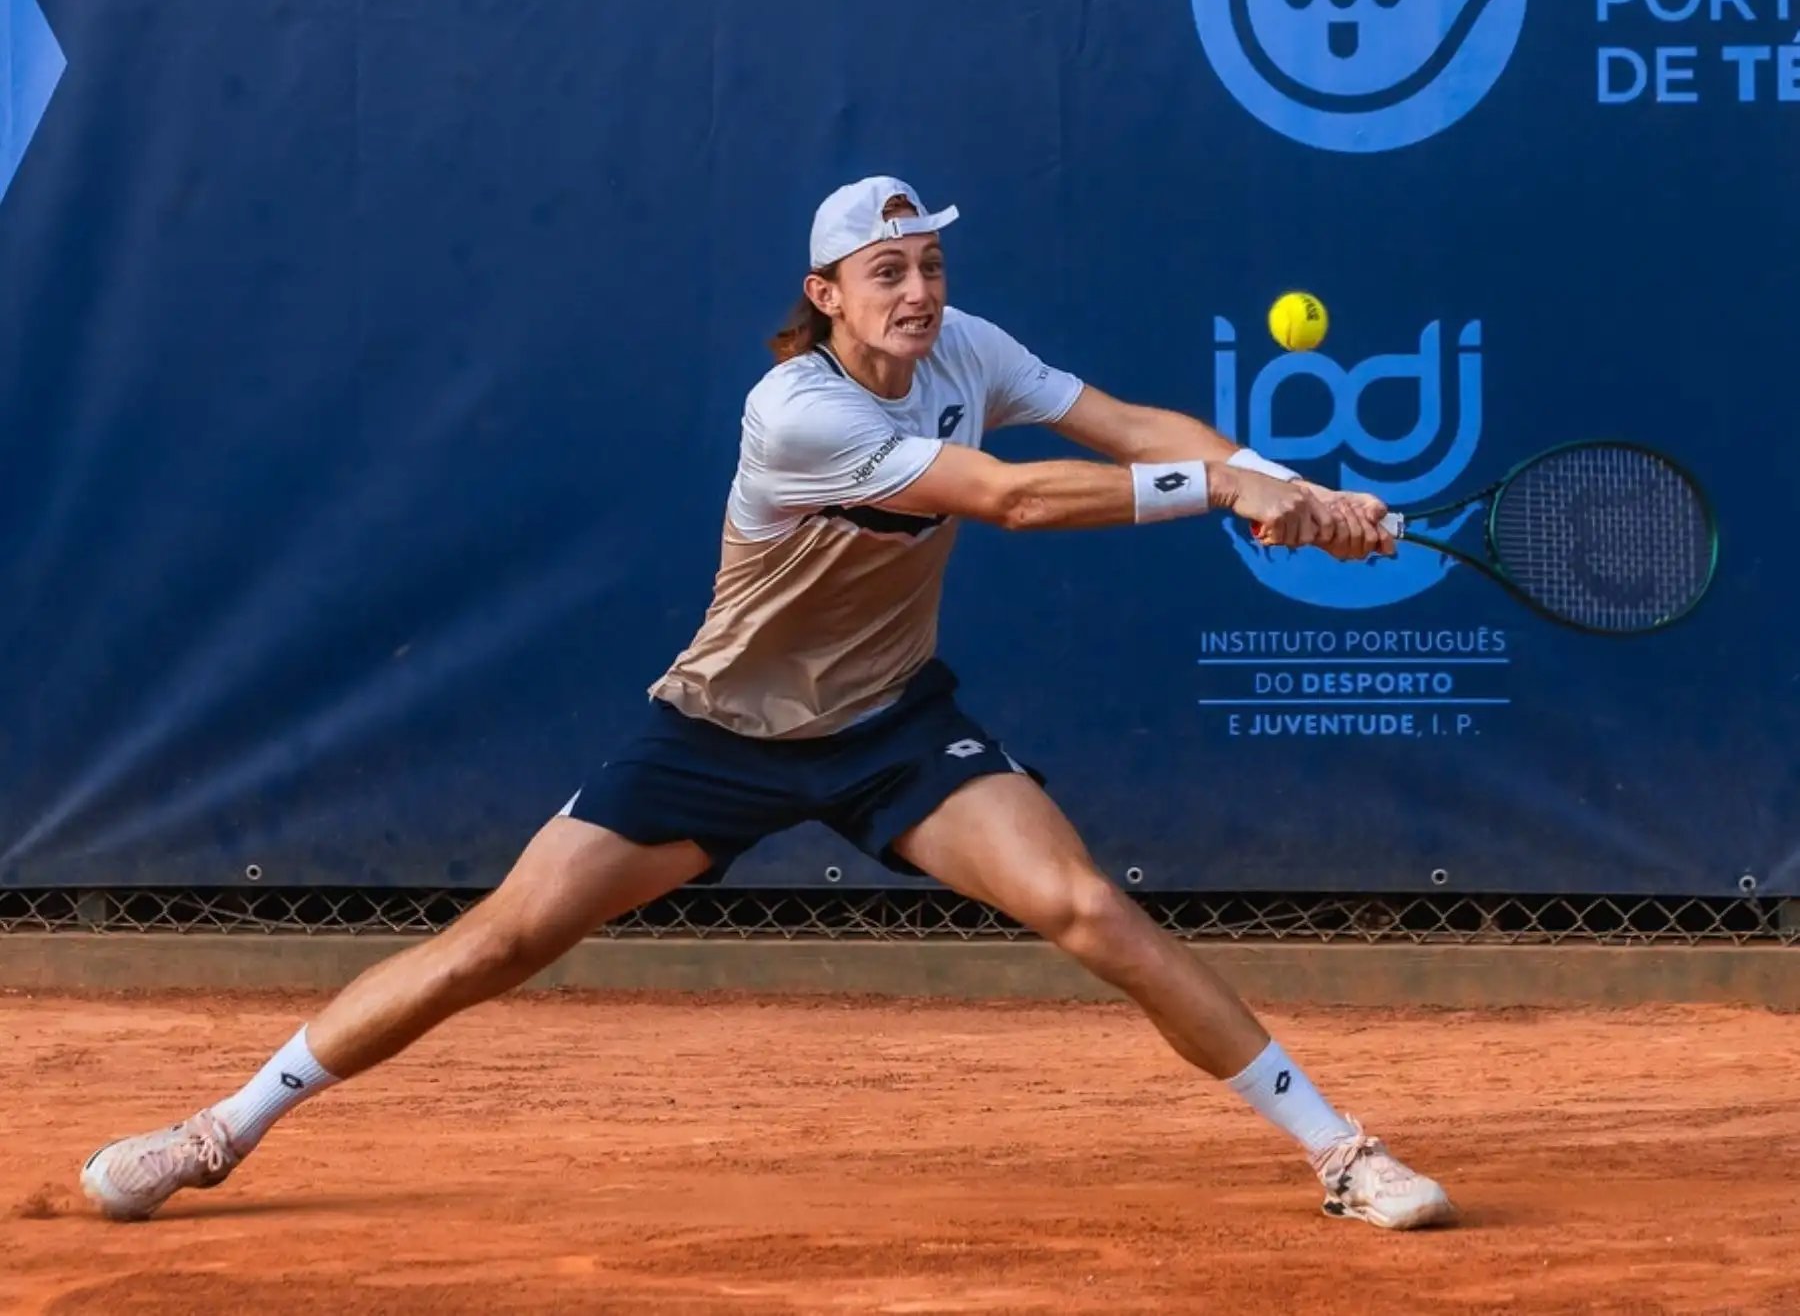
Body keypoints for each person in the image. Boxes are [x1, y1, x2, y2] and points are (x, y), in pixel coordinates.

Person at [80, 175, 1453, 1231]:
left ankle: (1340, 1151)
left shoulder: (968, 349)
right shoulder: (799, 412)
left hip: (892, 726)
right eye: (887, 272)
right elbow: (1015, 499)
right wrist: (1225, 488)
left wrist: (1292, 484)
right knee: (496, 942)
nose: (919, 291)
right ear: (828, 294)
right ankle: (217, 1132)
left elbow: (1129, 427)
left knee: (1091, 909)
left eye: (930, 264)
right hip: (718, 736)